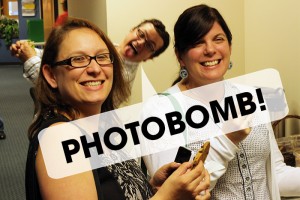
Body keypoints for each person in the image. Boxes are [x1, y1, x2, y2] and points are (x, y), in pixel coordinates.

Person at [25, 17, 210, 200]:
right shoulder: (60, 138)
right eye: (79, 59)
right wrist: (169, 197)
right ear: (51, 75)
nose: (95, 69)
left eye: (102, 57)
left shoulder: (101, 126)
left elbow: (110, 188)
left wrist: (151, 187)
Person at [142, 4, 300, 199]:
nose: (210, 50)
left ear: (230, 46)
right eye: (198, 42)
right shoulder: (160, 110)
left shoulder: (251, 97)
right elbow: (177, 193)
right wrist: (227, 139)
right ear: (180, 56)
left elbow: (277, 174)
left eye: (218, 39)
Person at [10, 18, 170, 88]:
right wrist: (31, 51)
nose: (140, 42)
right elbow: (68, 59)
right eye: (141, 34)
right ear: (132, 30)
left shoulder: (122, 77)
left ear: (150, 57)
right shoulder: (108, 47)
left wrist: (30, 58)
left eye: (149, 45)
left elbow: (61, 90)